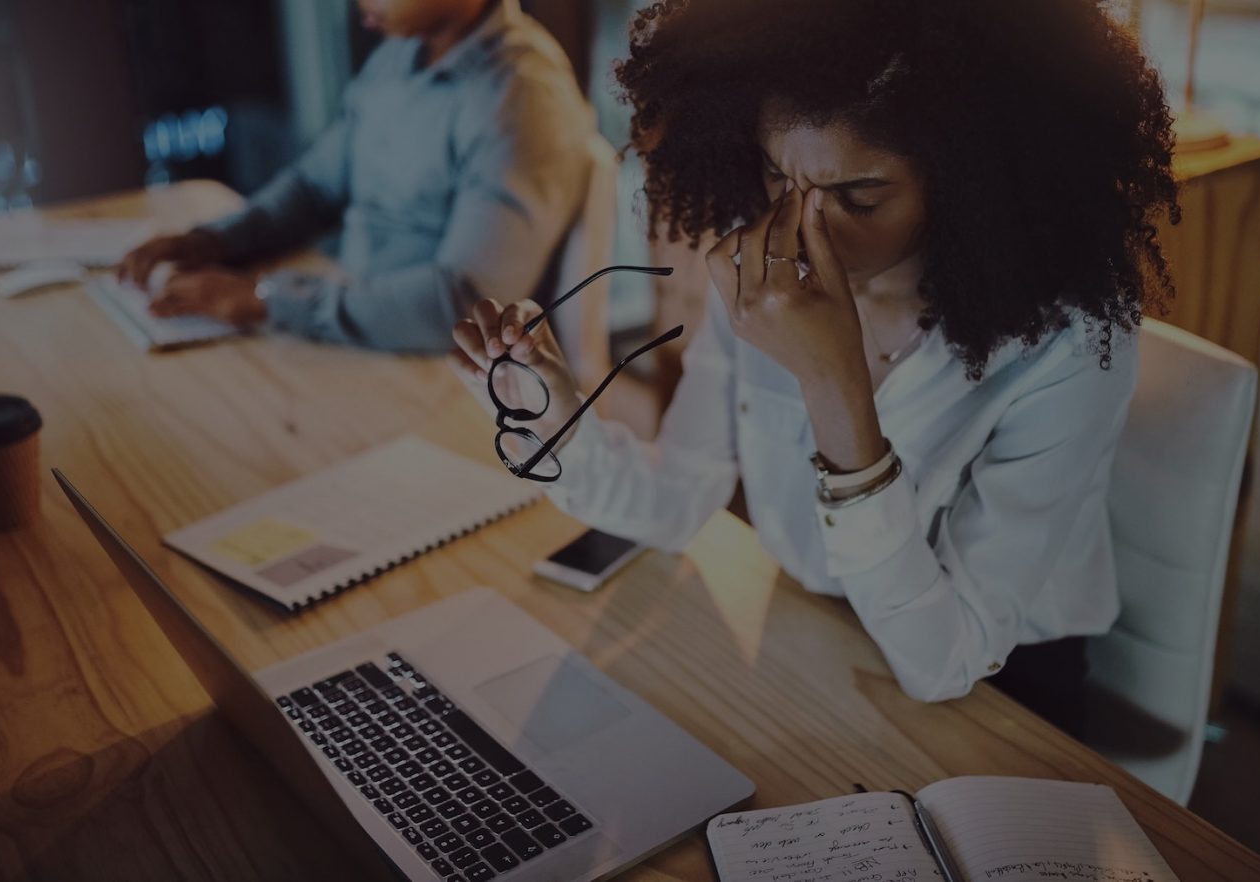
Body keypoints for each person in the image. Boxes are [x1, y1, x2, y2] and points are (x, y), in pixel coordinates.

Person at [448, 0, 1183, 720]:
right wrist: (553, 420)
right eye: (778, 177)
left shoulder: (1063, 348)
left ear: (970, 183)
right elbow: (677, 500)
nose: (802, 229)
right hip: (812, 630)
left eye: (857, 197)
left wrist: (836, 385)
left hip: (999, 690)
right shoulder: (766, 272)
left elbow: (946, 662)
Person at [118, 0, 597, 352]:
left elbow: (466, 302)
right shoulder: (400, 53)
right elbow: (314, 187)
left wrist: (268, 302)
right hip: (351, 330)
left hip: (442, 367)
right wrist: (214, 241)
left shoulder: (523, 98)